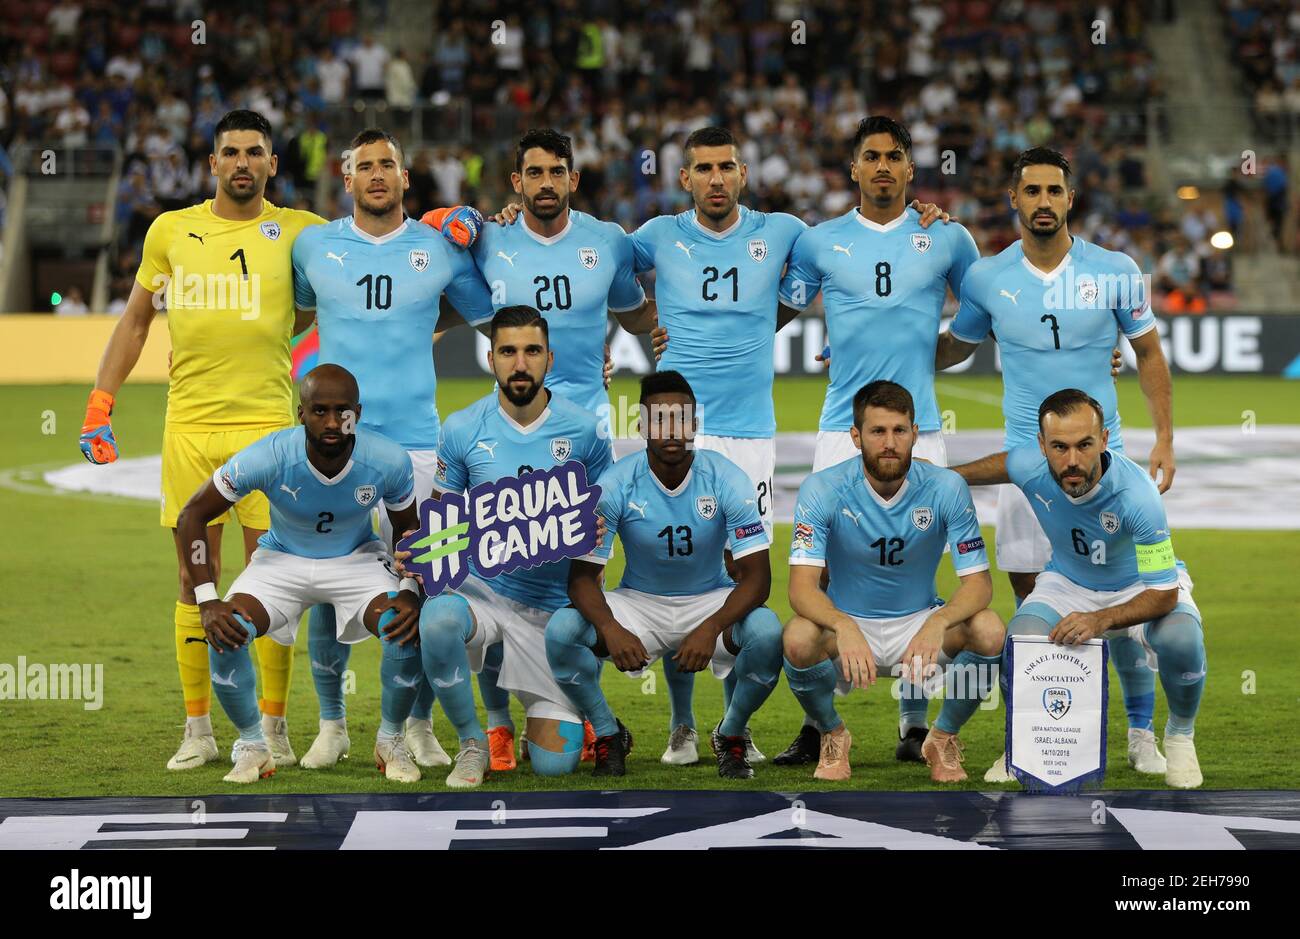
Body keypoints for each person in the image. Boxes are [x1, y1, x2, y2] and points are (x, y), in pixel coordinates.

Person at [79, 110, 325, 771]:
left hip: (270, 433)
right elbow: (134, 322)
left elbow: (360, 278)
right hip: (188, 427)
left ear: (273, 164)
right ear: (211, 164)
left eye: (255, 152)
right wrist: (99, 405)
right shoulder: (171, 231)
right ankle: (199, 729)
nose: (242, 162)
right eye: (230, 152)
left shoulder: (302, 232)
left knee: (275, 582)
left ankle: (272, 725)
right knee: (196, 581)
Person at [935, 146, 1177, 780]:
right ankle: (1031, 741)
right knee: (1032, 610)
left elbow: (1148, 355)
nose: (1043, 201)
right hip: (1025, 469)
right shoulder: (988, 278)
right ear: (1013, 200)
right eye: (1031, 191)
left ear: (1071, 199)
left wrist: (1165, 440)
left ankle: (1142, 734)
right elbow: (952, 348)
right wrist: (870, 346)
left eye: (1054, 191)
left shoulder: (1118, 269)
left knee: (1122, 598)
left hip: (1104, 465)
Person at [772, 115, 980, 767]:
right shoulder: (820, 242)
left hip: (923, 430)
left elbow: (978, 319)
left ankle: (914, 725)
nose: (884, 165)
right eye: (872, 156)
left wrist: (928, 351)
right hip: (841, 429)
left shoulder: (947, 239)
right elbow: (771, 312)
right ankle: (819, 720)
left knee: (919, 569)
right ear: (853, 168)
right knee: (822, 577)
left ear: (911, 168)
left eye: (895, 156)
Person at [290, 127, 496, 771]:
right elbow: (293, 315)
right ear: (345, 180)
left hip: (419, 451)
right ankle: (332, 724)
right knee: (329, 590)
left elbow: (488, 311)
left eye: (388, 165)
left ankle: (413, 724)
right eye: (364, 167)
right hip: (335, 449)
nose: (377, 174)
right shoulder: (314, 246)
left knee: (423, 589)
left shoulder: (439, 249)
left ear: (407, 179)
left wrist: (491, 228)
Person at [176, 365, 424, 784]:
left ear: (358, 413)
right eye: (319, 410)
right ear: (300, 413)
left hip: (356, 559)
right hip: (282, 560)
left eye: (342, 412)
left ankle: (391, 740)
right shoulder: (269, 455)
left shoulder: (387, 460)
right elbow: (191, 515)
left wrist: (408, 590)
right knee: (225, 629)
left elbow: (407, 531)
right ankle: (254, 747)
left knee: (400, 626)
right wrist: (207, 600)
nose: (331, 422)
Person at [949, 389, 1205, 788]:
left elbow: (1164, 593)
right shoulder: (1030, 465)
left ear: (1103, 440)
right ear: (1042, 446)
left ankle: (1180, 736)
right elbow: (994, 468)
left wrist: (1098, 619)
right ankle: (1022, 745)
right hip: (1068, 582)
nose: (1072, 460)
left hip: (1140, 586)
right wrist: (939, 477)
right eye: (1059, 447)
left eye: (1084, 445)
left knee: (1181, 638)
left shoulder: (1138, 495)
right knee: (1021, 641)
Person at [410, 306, 614, 787]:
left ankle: (562, 710)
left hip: (553, 610)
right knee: (437, 618)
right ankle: (475, 742)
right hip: (487, 599)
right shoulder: (462, 428)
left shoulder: (585, 430)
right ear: (491, 358)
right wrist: (419, 554)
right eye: (508, 352)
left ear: (549, 358)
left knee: (554, 765)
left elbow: (605, 519)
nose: (519, 364)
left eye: (531, 351)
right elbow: (444, 519)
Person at [546, 371, 784, 778]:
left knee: (767, 631)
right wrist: (611, 627)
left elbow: (758, 579)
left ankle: (729, 734)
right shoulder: (615, 484)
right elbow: (582, 578)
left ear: (694, 424)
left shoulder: (728, 478)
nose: (670, 429)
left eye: (680, 418)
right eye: (659, 418)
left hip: (709, 597)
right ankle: (608, 733)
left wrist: (710, 628)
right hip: (639, 604)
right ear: (642, 425)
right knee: (562, 630)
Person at [783, 380, 1005, 782]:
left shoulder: (946, 487)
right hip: (847, 628)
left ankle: (941, 737)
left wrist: (937, 622)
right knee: (797, 638)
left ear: (915, 434)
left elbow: (979, 585)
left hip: (918, 624)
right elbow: (800, 587)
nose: (890, 442)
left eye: (899, 431)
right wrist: (843, 623)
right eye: (877, 431)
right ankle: (833, 734)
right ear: (856, 436)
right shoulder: (823, 488)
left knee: (989, 629)